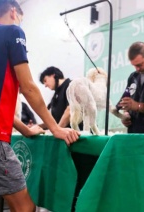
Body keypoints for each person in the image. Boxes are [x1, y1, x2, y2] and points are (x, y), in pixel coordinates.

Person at [0, 0, 80, 211]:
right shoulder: (12, 32)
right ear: (14, 11)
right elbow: (29, 88)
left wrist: (25, 129)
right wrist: (55, 128)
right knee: (25, 208)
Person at [39, 66, 94, 211]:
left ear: (53, 75)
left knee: (74, 181)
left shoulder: (72, 85)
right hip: (61, 141)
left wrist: (56, 129)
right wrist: (36, 127)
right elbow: (51, 120)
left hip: (75, 141)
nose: (45, 85)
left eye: (45, 80)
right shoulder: (55, 95)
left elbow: (70, 110)